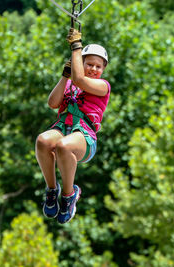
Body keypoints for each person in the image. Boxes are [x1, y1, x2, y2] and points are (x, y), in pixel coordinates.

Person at [35, 28, 111, 224]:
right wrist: (64, 76)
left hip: (83, 137)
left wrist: (76, 46)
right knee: (43, 141)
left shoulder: (103, 86)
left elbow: (80, 79)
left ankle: (69, 196)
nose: (93, 69)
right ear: (81, 64)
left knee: (64, 146)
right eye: (89, 64)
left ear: (103, 70)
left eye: (98, 66)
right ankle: (52, 190)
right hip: (62, 128)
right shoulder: (71, 83)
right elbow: (53, 103)